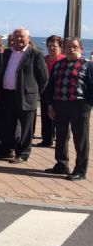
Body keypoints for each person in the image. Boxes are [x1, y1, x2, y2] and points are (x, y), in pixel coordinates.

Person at [45, 37, 93, 181]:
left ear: (81, 49)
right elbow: (51, 86)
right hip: (60, 104)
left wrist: (88, 106)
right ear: (63, 49)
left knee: (81, 139)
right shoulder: (58, 64)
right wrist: (50, 105)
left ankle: (80, 170)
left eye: (74, 47)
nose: (71, 50)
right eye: (68, 47)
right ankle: (61, 164)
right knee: (61, 137)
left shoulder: (87, 65)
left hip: (80, 106)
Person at [0, 27, 48, 164]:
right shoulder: (7, 53)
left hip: (26, 97)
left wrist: (35, 94)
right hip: (7, 94)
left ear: (28, 38)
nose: (19, 39)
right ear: (12, 38)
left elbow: (44, 78)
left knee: (26, 127)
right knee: (8, 124)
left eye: (22, 36)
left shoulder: (36, 54)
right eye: (16, 36)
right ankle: (7, 149)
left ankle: (23, 153)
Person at [37, 35, 65, 147]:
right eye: (49, 45)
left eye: (54, 45)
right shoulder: (44, 59)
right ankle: (47, 140)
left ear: (60, 47)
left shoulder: (63, 60)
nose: (51, 48)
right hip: (45, 91)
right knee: (45, 116)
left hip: (59, 92)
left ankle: (61, 141)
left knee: (59, 118)